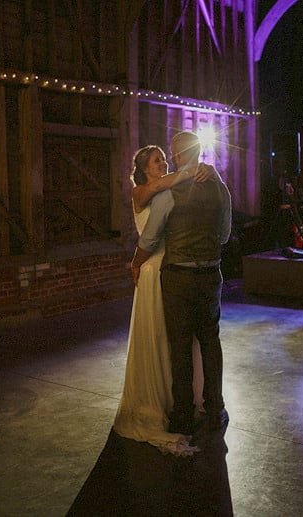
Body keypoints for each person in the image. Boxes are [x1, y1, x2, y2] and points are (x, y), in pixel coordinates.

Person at [113, 145, 216, 456]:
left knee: (175, 336)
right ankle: (156, 401)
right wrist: (198, 169)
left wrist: (208, 171)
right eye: (157, 160)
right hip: (152, 269)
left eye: (164, 159)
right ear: (145, 168)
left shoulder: (168, 187)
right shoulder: (141, 191)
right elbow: (163, 186)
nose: (163, 163)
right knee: (157, 336)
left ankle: (179, 399)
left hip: (171, 268)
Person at [131, 131, 232, 439]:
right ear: (199, 151)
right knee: (210, 343)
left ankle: (183, 416)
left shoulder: (166, 195)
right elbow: (225, 234)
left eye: (170, 155)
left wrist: (135, 262)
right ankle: (214, 409)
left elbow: (149, 239)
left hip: (178, 276)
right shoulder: (220, 188)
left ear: (176, 156)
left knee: (180, 347)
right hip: (210, 274)